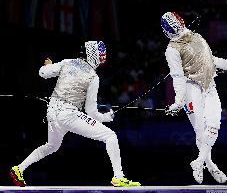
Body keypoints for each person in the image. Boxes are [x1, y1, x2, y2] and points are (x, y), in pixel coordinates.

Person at [9, 41, 140, 187]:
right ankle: (118, 177)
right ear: (95, 56)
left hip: (52, 112)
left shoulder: (68, 62)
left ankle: (18, 169)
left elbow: (42, 73)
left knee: (52, 146)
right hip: (68, 114)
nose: (102, 59)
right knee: (110, 136)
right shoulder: (93, 77)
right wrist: (106, 118)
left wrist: (48, 66)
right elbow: (91, 112)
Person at [161, 12, 227, 184]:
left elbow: (210, 59)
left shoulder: (197, 37)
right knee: (201, 132)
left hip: (209, 86)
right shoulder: (171, 50)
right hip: (190, 88)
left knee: (214, 126)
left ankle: (199, 161)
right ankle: (209, 165)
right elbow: (177, 77)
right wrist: (179, 101)